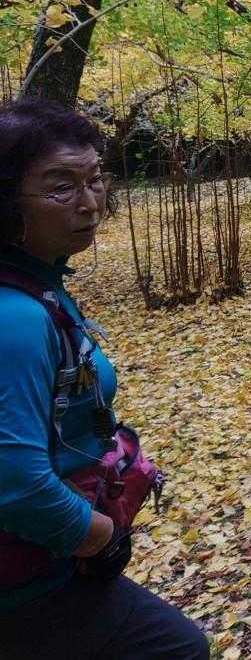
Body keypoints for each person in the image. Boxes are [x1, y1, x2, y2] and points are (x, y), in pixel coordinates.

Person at [0, 99, 208, 659]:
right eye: (61, 187)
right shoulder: (14, 318)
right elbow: (14, 482)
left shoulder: (35, 281)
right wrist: (101, 537)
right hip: (27, 579)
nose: (90, 202)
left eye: (95, 180)